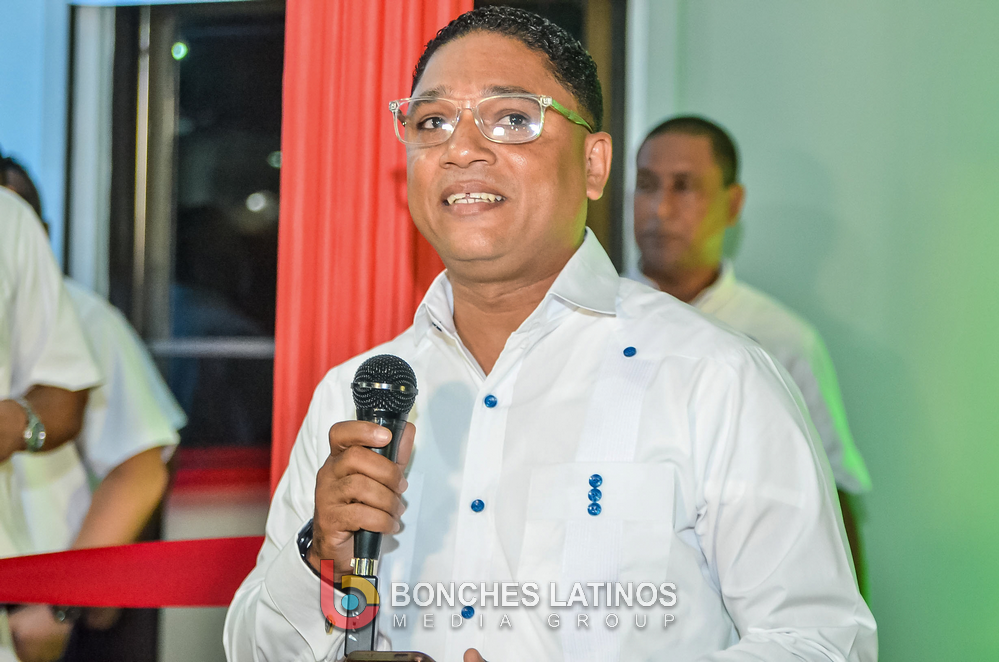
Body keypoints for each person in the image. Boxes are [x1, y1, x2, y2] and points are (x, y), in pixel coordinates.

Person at [225, 7, 877, 661]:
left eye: (512, 118)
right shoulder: (354, 395)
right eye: (432, 122)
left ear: (594, 165)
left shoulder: (714, 377)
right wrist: (319, 556)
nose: (461, 149)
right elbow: (253, 649)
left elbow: (822, 643)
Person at [631, 116, 872, 585]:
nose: (660, 208)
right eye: (646, 185)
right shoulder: (587, 321)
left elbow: (833, 498)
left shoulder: (780, 340)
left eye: (684, 186)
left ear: (733, 203)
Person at [1, 155, 186, 662]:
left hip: (37, 600)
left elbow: (141, 469)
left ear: (39, 234)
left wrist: (59, 609)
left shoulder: (85, 318)